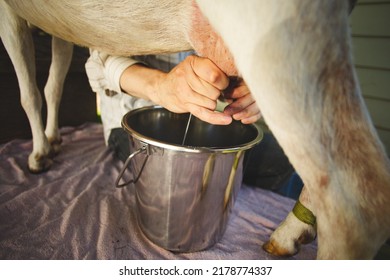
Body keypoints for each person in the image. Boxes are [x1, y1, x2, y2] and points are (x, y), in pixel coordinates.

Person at [85, 50, 302, 199]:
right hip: (130, 119)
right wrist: (160, 85)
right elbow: (98, 62)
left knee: (288, 161)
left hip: (204, 115)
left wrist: (249, 81)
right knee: (186, 182)